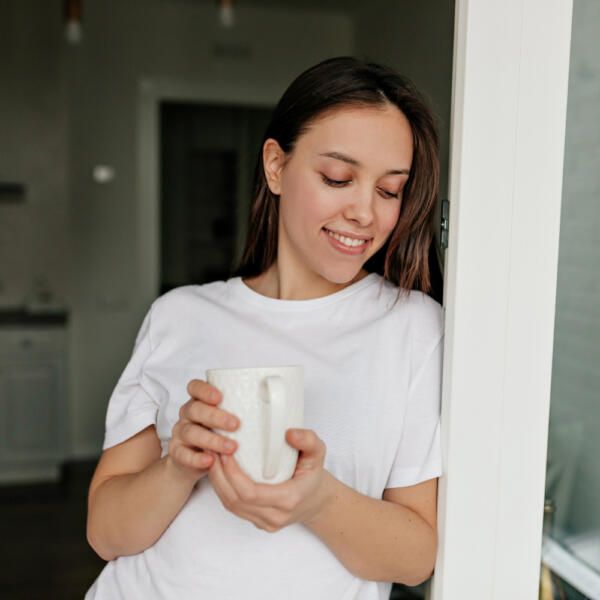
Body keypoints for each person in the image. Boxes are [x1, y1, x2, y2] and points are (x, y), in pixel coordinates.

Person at [85, 55, 445, 600]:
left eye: (389, 190)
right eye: (338, 178)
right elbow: (106, 535)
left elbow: (416, 558)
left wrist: (318, 499)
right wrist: (178, 468)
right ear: (275, 166)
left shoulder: (412, 327)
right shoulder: (179, 315)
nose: (365, 213)